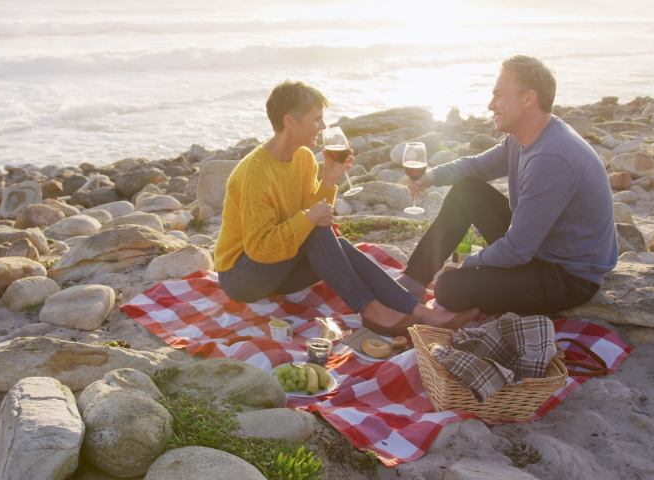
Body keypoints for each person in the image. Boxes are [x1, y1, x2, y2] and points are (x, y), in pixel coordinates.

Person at [214, 80, 478, 335]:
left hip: (281, 271)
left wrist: (329, 177)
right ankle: (374, 310)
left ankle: (414, 309)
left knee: (325, 235)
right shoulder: (254, 173)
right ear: (290, 121)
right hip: (242, 277)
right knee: (315, 226)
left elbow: (313, 217)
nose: (323, 125)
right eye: (316, 118)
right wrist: (308, 218)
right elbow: (261, 248)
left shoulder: (304, 158)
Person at [397, 55, 617, 315]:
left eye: (499, 96)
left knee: (450, 287)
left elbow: (516, 250)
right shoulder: (524, 137)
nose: (491, 105)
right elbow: (478, 167)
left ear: (528, 99)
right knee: (467, 190)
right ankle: (413, 281)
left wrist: (468, 263)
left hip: (567, 275)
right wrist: (432, 176)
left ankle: (444, 284)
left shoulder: (551, 157)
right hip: (538, 247)